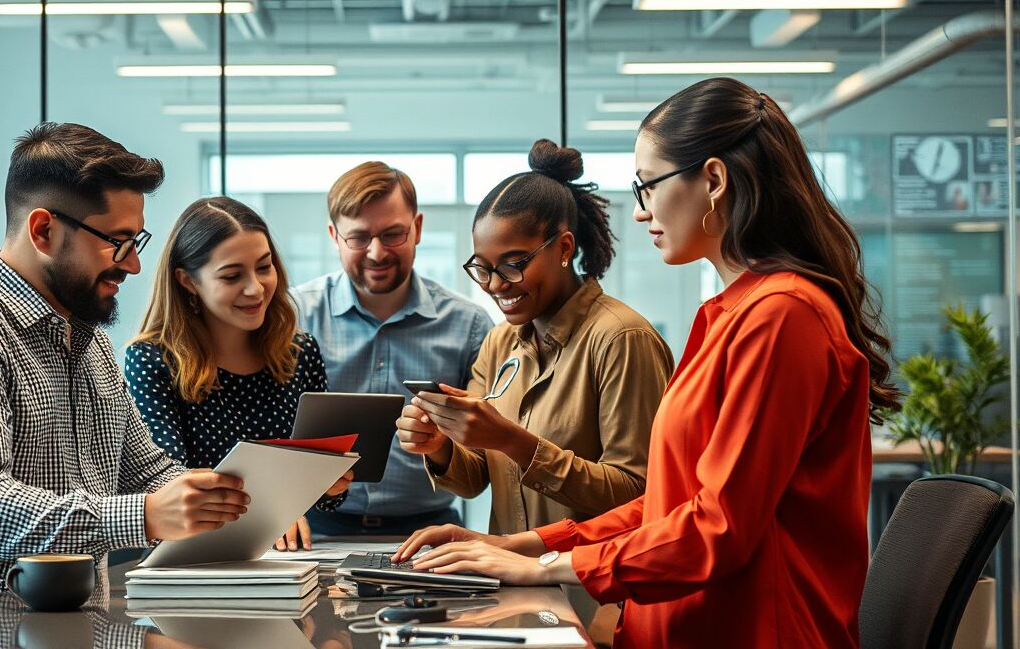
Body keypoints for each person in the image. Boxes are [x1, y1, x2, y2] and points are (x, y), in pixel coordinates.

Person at [395, 79, 900, 649]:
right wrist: (531, 544)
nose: (641, 213)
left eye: (647, 187)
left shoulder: (780, 315)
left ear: (713, 180)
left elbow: (718, 527)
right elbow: (670, 503)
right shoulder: (730, 314)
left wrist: (548, 567)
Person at [0, 123, 250, 624]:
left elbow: (146, 471)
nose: (135, 265)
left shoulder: (87, 339)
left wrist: (238, 500)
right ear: (43, 231)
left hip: (67, 619)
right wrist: (145, 515)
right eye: (117, 242)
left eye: (136, 240)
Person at [395, 139, 672, 535]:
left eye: (513, 265)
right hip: (514, 583)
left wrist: (516, 443)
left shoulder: (621, 339)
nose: (495, 285)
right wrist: (438, 444)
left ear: (563, 247)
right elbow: (474, 478)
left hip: (592, 590)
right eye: (483, 268)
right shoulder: (500, 342)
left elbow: (639, 495)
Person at [126, 197, 350, 551]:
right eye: (232, 276)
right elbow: (168, 486)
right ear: (188, 281)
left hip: (286, 558)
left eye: (264, 267)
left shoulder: (300, 352)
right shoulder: (152, 360)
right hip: (195, 560)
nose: (256, 288)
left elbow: (325, 500)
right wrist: (268, 513)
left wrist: (329, 484)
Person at [293, 161, 493, 537]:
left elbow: (485, 456)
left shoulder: (468, 325)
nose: (376, 253)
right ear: (334, 235)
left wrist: (440, 446)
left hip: (431, 531)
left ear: (417, 229)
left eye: (392, 235)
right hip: (314, 528)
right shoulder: (294, 316)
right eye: (358, 238)